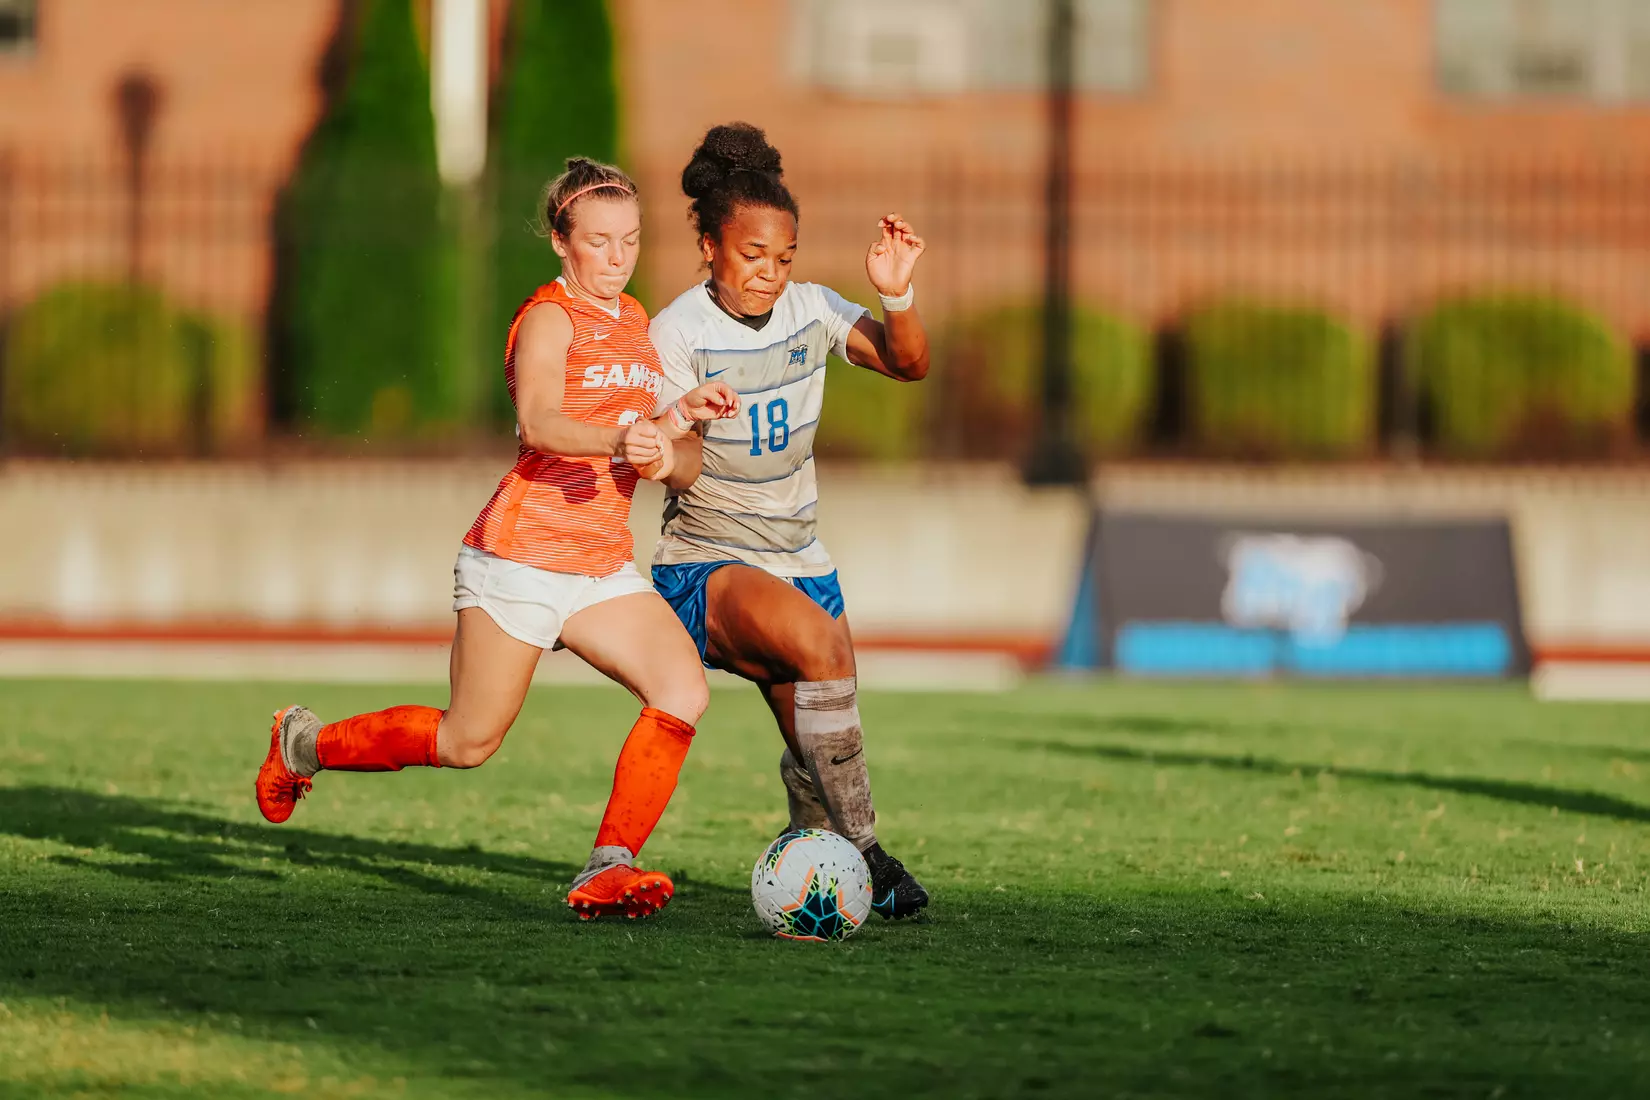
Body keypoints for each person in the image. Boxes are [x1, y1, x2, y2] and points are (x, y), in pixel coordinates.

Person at [253, 157, 739, 922]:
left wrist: (678, 426)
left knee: (683, 690)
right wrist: (625, 438)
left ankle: (608, 867)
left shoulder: (637, 323)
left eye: (631, 240)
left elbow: (666, 457)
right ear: (561, 242)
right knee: (467, 743)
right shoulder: (549, 318)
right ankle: (302, 745)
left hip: (600, 566)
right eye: (599, 241)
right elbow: (539, 423)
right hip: (519, 559)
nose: (617, 257)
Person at [649, 123, 932, 919]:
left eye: (784, 258)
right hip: (706, 559)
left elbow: (908, 363)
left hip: (800, 556)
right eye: (752, 255)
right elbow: (676, 463)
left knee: (819, 740)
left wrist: (896, 293)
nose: (769, 275)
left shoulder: (812, 309)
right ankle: (871, 858)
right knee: (820, 649)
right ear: (708, 246)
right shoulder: (677, 333)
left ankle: (813, 860)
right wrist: (678, 428)